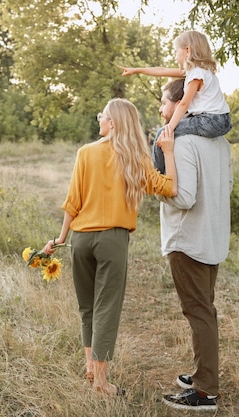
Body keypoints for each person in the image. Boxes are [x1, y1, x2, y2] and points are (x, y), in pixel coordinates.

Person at [42, 98, 178, 397]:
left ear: (113, 122)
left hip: (80, 238)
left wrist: (61, 238)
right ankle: (101, 383)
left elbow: (72, 201)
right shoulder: (135, 157)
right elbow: (169, 188)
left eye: (102, 115)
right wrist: (167, 152)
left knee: (87, 306)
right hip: (112, 240)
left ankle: (91, 368)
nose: (99, 119)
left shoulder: (85, 153)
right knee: (106, 308)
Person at [156, 78, 232, 411]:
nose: (162, 109)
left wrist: (154, 188)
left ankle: (205, 392)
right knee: (205, 310)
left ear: (183, 103)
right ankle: (203, 374)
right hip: (213, 236)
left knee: (198, 312)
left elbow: (183, 198)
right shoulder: (221, 142)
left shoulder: (184, 143)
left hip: (188, 240)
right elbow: (224, 188)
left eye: (165, 102)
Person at [119, 30, 232, 174]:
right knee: (174, 127)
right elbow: (162, 70)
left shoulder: (196, 75)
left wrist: (170, 128)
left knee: (162, 132)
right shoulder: (201, 71)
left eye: (175, 52)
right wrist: (137, 70)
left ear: (187, 51)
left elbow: (184, 104)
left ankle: (155, 174)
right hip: (220, 119)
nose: (175, 56)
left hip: (210, 121)